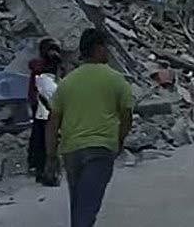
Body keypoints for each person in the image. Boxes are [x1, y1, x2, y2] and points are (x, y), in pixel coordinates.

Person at [46, 28, 133, 227]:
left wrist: (51, 155)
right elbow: (127, 116)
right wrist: (120, 140)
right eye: (106, 47)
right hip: (101, 149)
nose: (108, 52)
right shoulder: (116, 79)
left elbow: (52, 122)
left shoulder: (67, 83)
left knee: (79, 203)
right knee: (88, 207)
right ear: (98, 48)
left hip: (71, 151)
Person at [28, 38, 61, 176]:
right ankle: (39, 164)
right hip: (40, 103)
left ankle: (40, 163)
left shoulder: (54, 66)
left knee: (43, 132)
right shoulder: (40, 66)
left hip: (46, 102)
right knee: (40, 133)